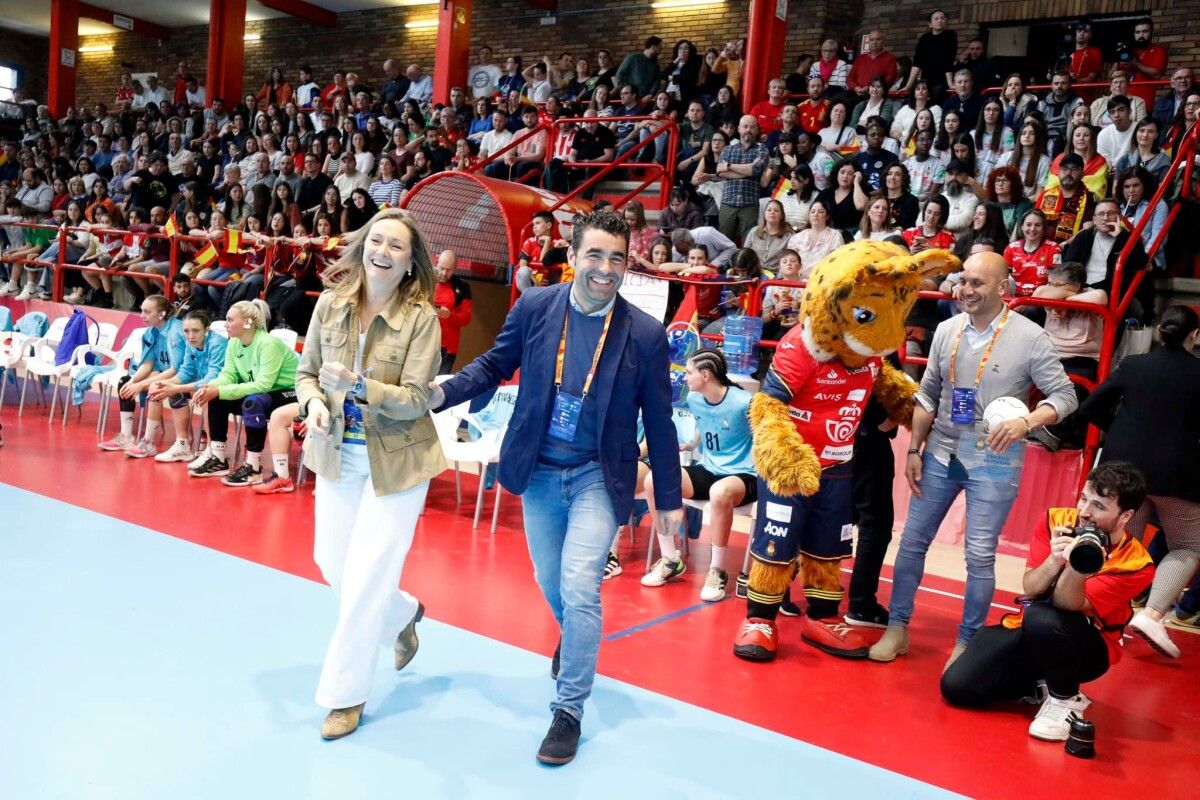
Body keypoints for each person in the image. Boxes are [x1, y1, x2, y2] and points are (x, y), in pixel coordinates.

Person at [430, 211, 684, 765]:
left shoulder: (644, 334)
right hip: (539, 468)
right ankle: (575, 642)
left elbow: (661, 423)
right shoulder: (537, 306)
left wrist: (668, 501)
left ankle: (568, 708)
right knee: (551, 579)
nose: (605, 269)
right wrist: (442, 394)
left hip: (598, 471)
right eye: (595, 255)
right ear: (574, 256)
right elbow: (496, 364)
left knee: (578, 581)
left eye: (617, 258)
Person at [870, 252, 1078, 668]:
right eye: (963, 280)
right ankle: (897, 627)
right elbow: (928, 394)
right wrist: (915, 448)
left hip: (995, 458)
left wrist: (1027, 422)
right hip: (941, 452)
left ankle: (967, 644)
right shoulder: (947, 329)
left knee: (980, 555)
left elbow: (1066, 396)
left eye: (977, 283)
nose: (966, 289)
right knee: (911, 542)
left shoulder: (1031, 336)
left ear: (1003, 288)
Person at [289, 207, 445, 737]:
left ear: (409, 262)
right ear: (362, 247)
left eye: (397, 246)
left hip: (398, 462)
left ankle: (344, 696)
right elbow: (305, 374)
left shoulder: (423, 318)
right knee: (331, 561)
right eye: (376, 240)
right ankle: (401, 616)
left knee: (362, 582)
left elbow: (418, 398)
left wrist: (360, 387)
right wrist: (312, 402)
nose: (383, 250)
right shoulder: (330, 306)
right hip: (335, 452)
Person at [940, 463, 1154, 740]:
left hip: (1088, 647)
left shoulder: (1137, 564)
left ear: (1125, 516)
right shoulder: (1055, 520)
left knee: (1042, 615)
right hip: (1031, 628)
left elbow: (1066, 605)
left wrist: (1077, 565)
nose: (1085, 512)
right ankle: (1040, 684)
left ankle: (1065, 700)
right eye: (1084, 498)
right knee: (956, 687)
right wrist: (1054, 560)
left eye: (1099, 506)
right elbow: (1030, 587)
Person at [1078, 306, 1200, 659]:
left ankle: (1097, 612)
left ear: (1160, 330)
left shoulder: (1134, 364)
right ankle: (1153, 614)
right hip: (1177, 474)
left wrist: (1118, 430)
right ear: (1194, 335)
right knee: (1188, 546)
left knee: (1126, 544)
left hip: (1126, 469)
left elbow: (1091, 406)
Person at [641, 348, 755, 602]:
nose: (685, 377)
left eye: (689, 372)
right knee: (655, 480)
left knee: (719, 492)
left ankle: (717, 570)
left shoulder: (744, 402)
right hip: (710, 469)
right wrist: (693, 444)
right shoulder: (694, 399)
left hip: (743, 475)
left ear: (706, 375)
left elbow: (765, 435)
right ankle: (671, 558)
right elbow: (706, 425)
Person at [188, 299, 300, 486]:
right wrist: (212, 387)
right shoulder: (234, 343)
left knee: (253, 401)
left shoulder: (268, 344)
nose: (226, 324)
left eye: (231, 320)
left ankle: (254, 467)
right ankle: (218, 458)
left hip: (289, 392)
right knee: (216, 397)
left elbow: (263, 384)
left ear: (247, 322)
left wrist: (221, 389)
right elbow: (228, 375)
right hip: (262, 392)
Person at [97, 295, 186, 456]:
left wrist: (141, 385)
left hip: (181, 375)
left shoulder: (176, 331)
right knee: (125, 381)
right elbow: (147, 365)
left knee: (154, 387)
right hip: (161, 372)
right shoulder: (150, 333)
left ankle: (149, 443)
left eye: (147, 312)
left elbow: (175, 370)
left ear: (162, 314)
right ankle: (126, 436)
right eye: (141, 311)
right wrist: (132, 381)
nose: (142, 316)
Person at [146, 309, 230, 464]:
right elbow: (186, 371)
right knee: (171, 392)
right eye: (186, 331)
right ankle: (182, 446)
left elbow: (213, 377)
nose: (190, 336)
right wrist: (165, 384)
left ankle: (212, 451)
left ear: (206, 330)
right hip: (201, 383)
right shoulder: (190, 343)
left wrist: (176, 387)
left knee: (206, 395)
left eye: (196, 331)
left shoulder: (217, 344)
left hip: (221, 386)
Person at [715, 116, 768, 241]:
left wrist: (729, 166)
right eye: (745, 126)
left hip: (750, 203)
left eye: (752, 127)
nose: (748, 130)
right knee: (723, 242)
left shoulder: (762, 149)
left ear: (756, 130)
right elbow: (720, 172)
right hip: (728, 202)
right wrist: (748, 171)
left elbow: (754, 169)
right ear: (738, 129)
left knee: (748, 243)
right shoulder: (728, 149)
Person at [1033, 153, 1096, 244]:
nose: (1068, 173)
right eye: (1064, 168)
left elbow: (1087, 229)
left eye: (1074, 169)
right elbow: (1033, 220)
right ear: (1058, 172)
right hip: (1041, 244)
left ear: (1082, 173)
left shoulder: (1089, 199)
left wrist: (1064, 245)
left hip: (1068, 248)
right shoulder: (1047, 194)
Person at [432, 249, 472, 374]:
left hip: (447, 347)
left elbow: (466, 317)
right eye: (442, 268)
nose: (444, 273)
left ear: (455, 268)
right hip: (423, 340)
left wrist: (450, 315)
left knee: (438, 384)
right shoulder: (426, 280)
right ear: (436, 262)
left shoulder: (461, 287)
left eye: (448, 270)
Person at [906, 9, 957, 99]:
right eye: (936, 19)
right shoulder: (925, 39)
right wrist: (908, 86)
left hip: (942, 81)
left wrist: (950, 84)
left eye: (942, 18)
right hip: (926, 80)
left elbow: (948, 61)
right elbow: (917, 63)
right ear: (930, 24)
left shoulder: (950, 36)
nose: (940, 20)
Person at [848, 30, 898, 96]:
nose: (874, 42)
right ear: (868, 42)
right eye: (871, 40)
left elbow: (889, 79)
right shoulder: (860, 58)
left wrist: (870, 88)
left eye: (878, 39)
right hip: (857, 93)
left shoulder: (890, 58)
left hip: (877, 94)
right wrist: (855, 87)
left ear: (883, 42)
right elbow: (850, 78)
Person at [1096, 97, 1135, 166]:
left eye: (1121, 110)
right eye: (1112, 112)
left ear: (1129, 111)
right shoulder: (1103, 134)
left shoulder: (1140, 130)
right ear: (1109, 116)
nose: (1116, 115)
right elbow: (1103, 160)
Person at [1068, 20, 1103, 85]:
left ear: (1091, 35)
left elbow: (1092, 77)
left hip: (1083, 93)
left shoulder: (1094, 52)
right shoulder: (1068, 52)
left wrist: (1074, 81)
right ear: (1076, 32)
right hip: (1065, 92)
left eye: (1086, 31)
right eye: (1079, 31)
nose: (1081, 33)